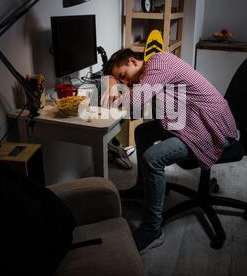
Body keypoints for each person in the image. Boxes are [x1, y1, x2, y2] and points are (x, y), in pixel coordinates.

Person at [101, 49, 237, 254]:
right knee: (142, 132)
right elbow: (138, 109)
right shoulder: (149, 74)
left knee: (152, 158)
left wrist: (112, 84)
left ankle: (152, 229)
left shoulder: (159, 62)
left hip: (212, 129)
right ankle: (143, 188)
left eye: (123, 76)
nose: (125, 83)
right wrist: (112, 79)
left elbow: (133, 104)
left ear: (132, 61)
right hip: (193, 120)